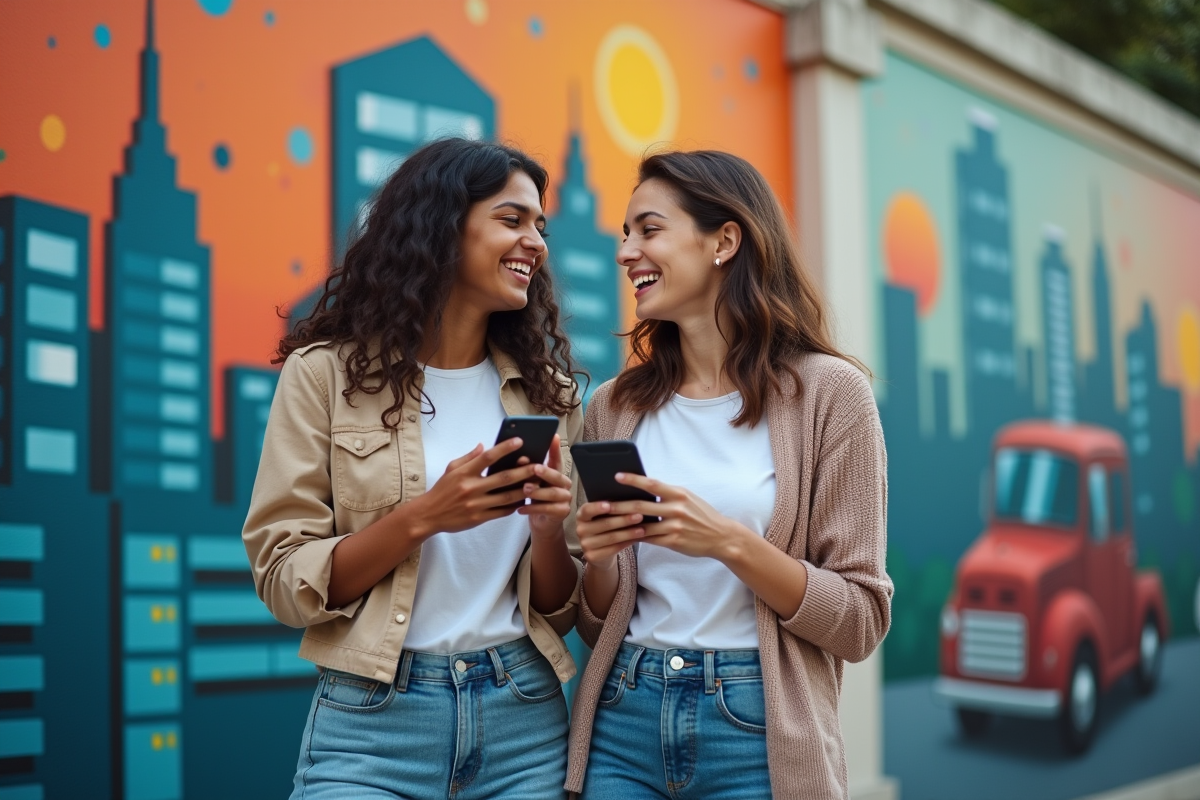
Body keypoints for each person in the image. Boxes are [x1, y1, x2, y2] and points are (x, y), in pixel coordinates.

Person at [242, 137, 584, 800]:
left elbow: (559, 609)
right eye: (512, 220)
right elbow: (285, 580)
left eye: (540, 226)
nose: (535, 242)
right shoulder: (325, 376)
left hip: (522, 719)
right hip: (372, 725)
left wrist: (547, 529)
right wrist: (425, 517)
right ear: (441, 225)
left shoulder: (551, 397)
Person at [565, 150, 893, 800]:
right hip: (622, 719)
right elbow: (595, 625)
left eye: (648, 229)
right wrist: (600, 563)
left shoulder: (831, 394)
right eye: (625, 234)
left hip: (758, 729)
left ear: (724, 240)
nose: (626, 251)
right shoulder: (612, 405)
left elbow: (860, 621)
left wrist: (727, 542)